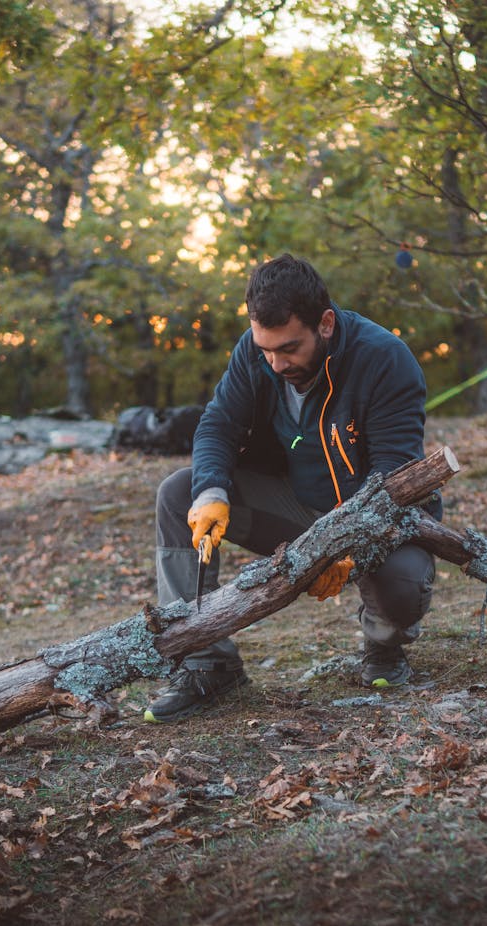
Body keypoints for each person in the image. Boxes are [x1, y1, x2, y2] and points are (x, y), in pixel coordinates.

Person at [144, 253, 442, 723]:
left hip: (376, 520)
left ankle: (384, 648)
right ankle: (205, 663)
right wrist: (211, 493)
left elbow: (393, 477)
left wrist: (347, 540)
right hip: (294, 504)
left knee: (403, 581)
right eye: (266, 349)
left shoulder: (383, 358)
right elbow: (216, 426)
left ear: (325, 323)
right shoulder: (255, 353)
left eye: (288, 348)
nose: (276, 362)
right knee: (179, 493)